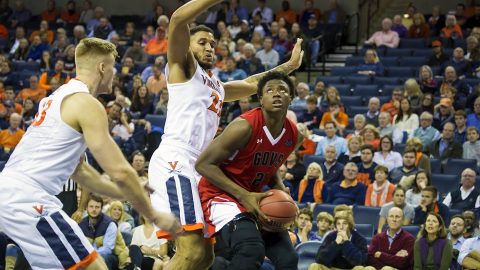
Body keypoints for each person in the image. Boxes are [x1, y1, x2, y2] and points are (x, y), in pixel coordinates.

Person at [0, 37, 180, 269]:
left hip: (10, 192)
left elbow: (83, 173)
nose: (114, 74)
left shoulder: (56, 98)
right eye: (113, 68)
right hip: (26, 197)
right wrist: (154, 215)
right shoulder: (87, 103)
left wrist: (122, 190)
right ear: (103, 67)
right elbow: (120, 170)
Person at [148, 1, 304, 268]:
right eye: (202, 42)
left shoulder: (217, 86)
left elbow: (255, 83)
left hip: (200, 169)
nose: (209, 47)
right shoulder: (183, 69)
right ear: (188, 46)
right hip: (176, 161)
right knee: (191, 251)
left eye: (212, 43)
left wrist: (289, 66)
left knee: (205, 256)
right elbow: (176, 19)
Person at [195, 72, 302, 269]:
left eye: (282, 90)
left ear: (291, 99)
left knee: (288, 259)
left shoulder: (294, 135)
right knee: (250, 249)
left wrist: (280, 191)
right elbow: (203, 165)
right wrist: (244, 196)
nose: (276, 94)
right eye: (269, 90)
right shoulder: (243, 126)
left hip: (255, 197)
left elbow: (272, 164)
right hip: (220, 195)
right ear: (261, 99)